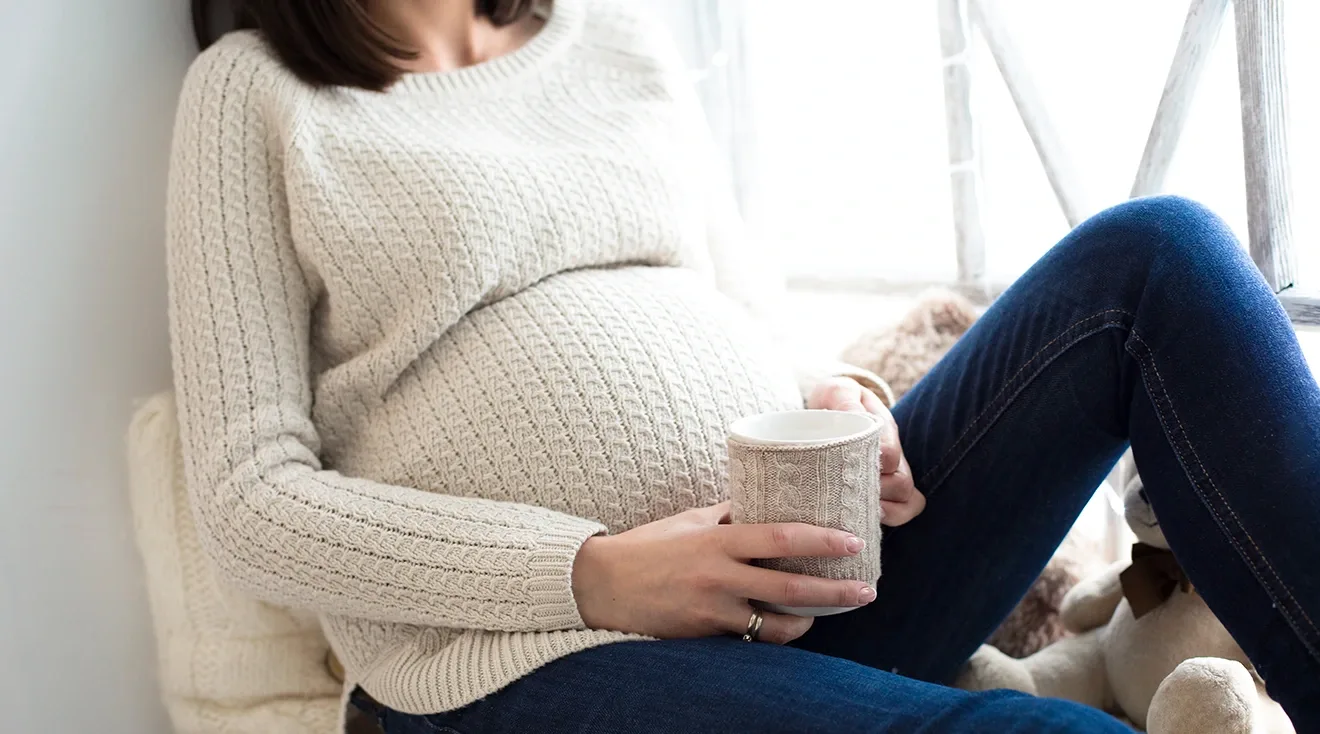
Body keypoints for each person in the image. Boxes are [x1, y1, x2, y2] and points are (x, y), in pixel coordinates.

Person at [167, 0, 1320, 731]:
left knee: (1160, 256)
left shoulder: (610, 36)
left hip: (816, 581)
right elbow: (247, 494)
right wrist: (593, 572)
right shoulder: (253, 96)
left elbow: (753, 314)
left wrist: (846, 402)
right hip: (520, 665)